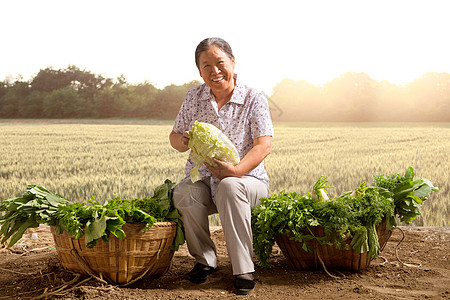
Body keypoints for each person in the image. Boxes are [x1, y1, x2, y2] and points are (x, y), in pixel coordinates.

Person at [169, 37, 273, 295]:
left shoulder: (253, 98)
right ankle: (205, 260)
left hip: (248, 184)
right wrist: (182, 141)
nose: (214, 71)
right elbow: (174, 137)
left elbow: (263, 145)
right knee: (184, 191)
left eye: (219, 63)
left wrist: (236, 172)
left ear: (232, 62)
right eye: (206, 66)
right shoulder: (194, 97)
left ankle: (243, 267)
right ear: (199, 71)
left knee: (229, 185)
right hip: (205, 182)